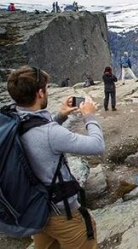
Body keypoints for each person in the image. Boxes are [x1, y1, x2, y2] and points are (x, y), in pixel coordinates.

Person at [7, 66, 105, 249]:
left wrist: (60, 116)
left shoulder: (11, 120)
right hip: (63, 215)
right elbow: (97, 145)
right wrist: (89, 116)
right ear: (40, 94)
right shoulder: (50, 133)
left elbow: (37, 138)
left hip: (35, 210)